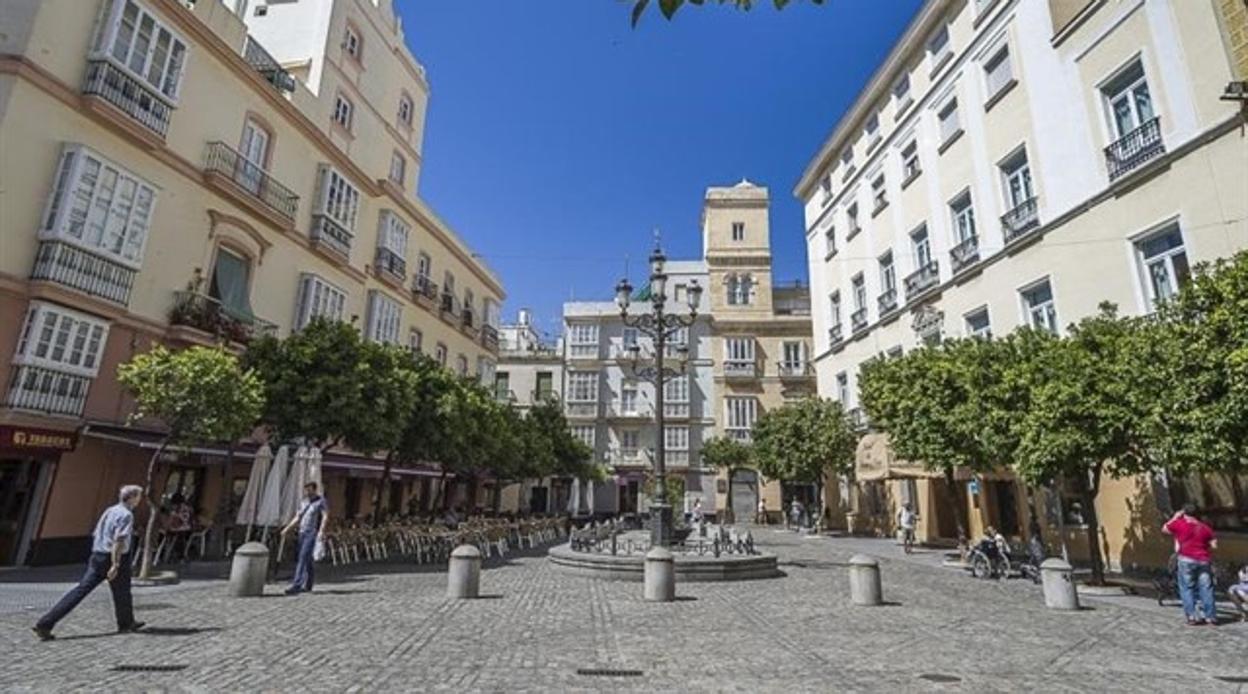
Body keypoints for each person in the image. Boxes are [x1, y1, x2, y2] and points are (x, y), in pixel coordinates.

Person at [33, 485, 146, 641]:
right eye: (139, 496)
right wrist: (115, 564)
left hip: (97, 554)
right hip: (112, 556)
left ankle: (46, 622)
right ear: (132, 497)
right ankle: (126, 623)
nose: (140, 500)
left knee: (82, 590)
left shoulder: (110, 511)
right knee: (122, 591)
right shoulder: (126, 515)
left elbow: (98, 532)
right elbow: (119, 540)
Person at [1162, 504, 1218, 626]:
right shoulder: (1205, 527)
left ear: (1184, 513)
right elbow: (1214, 545)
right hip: (1203, 560)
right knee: (1206, 588)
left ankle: (1192, 616)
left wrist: (1175, 517)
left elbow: (1165, 529)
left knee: (1187, 588)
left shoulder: (1179, 524)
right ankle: (1210, 617)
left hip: (1186, 560)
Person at [282, 482, 328, 596]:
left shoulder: (320, 501)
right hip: (302, 532)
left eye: (309, 489)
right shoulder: (304, 502)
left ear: (314, 489)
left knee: (302, 557)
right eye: (306, 489)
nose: (307, 492)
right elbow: (297, 517)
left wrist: (321, 531)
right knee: (307, 559)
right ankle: (309, 583)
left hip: (311, 533)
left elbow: (325, 516)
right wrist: (287, 529)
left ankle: (296, 585)